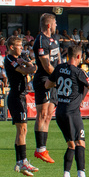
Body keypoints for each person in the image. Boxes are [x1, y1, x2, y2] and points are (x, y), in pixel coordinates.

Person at [46, 45, 89, 177]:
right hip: (72, 112)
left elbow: (47, 84)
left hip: (60, 112)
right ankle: (81, 175)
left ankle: (66, 175)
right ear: (78, 57)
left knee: (71, 145)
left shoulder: (58, 68)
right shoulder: (78, 72)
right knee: (80, 143)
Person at [4, 35, 39, 177]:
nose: (22, 48)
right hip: (16, 97)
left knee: (22, 130)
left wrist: (27, 63)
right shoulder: (10, 59)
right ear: (12, 47)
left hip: (21, 96)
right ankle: (23, 161)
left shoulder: (17, 59)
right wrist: (30, 65)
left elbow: (31, 68)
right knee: (22, 129)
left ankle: (20, 162)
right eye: (19, 46)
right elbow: (27, 71)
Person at [31, 13, 61, 164]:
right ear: (49, 25)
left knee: (49, 114)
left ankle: (43, 149)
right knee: (42, 114)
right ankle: (39, 149)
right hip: (44, 80)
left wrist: (61, 72)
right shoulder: (41, 40)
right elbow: (46, 66)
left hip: (54, 80)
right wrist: (59, 77)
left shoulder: (55, 40)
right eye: (55, 23)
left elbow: (58, 60)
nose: (56, 25)